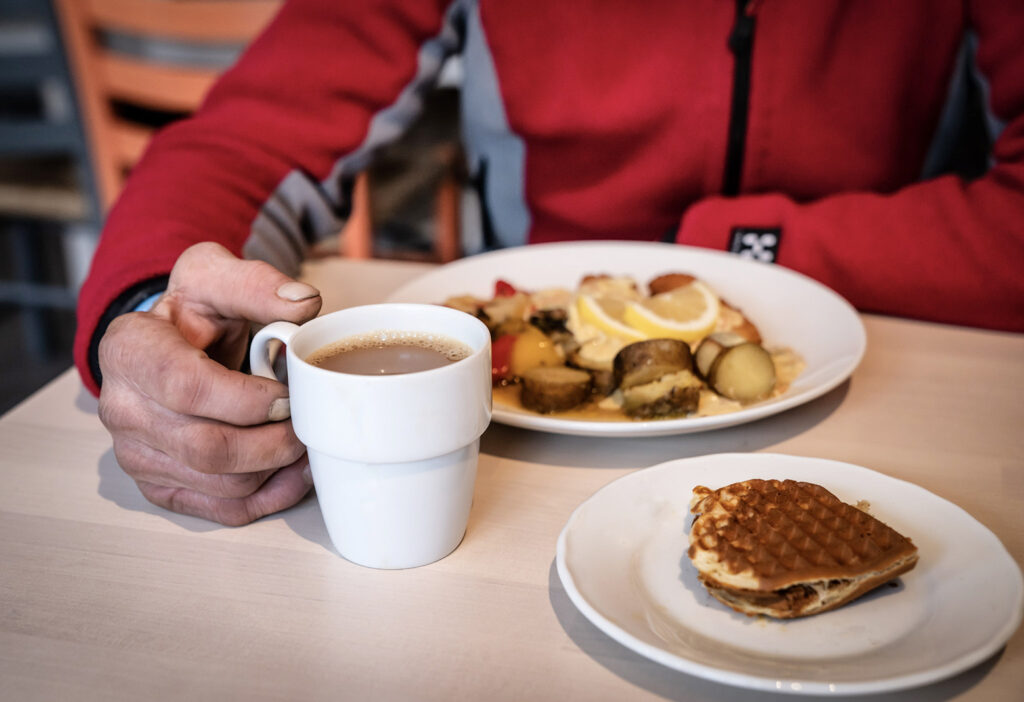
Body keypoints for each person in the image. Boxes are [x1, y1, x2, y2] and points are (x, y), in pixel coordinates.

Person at [74, 0, 1024, 525]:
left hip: (884, 432)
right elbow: (245, 142)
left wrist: (732, 246)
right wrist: (160, 305)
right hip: (504, 461)